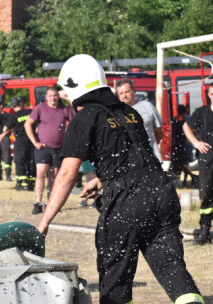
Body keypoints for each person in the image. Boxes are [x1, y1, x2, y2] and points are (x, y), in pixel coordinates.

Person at [37, 54, 202, 304]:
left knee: (116, 283)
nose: (65, 97)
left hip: (127, 203)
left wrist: (45, 221)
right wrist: (101, 181)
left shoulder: (84, 118)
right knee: (172, 269)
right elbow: (136, 158)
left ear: (75, 86)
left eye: (65, 90)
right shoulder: (128, 112)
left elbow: (67, 174)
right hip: (162, 194)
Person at [25, 86, 74, 214]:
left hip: (59, 149)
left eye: (55, 95)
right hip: (43, 148)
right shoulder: (40, 108)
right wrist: (35, 142)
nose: (53, 98)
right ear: (46, 97)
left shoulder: (64, 109)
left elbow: (74, 124)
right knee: (41, 174)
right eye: (50, 96)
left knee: (53, 177)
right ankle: (38, 203)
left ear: (58, 96)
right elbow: (27, 124)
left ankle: (49, 202)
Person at [183, 85, 213, 245]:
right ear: (209, 95)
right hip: (208, 158)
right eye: (212, 94)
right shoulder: (202, 112)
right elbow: (186, 126)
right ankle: (204, 231)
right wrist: (196, 143)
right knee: (206, 194)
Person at [116, 78, 163, 162]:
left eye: (127, 92)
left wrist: (149, 145)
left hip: (151, 158)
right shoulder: (116, 112)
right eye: (121, 93)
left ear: (134, 91)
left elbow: (159, 131)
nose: (124, 96)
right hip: (128, 161)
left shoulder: (148, 106)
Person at [0, 97, 35, 191]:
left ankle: (22, 184)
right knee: (31, 161)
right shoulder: (31, 112)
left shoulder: (14, 116)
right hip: (32, 139)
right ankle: (31, 184)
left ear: (12, 106)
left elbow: (5, 129)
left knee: (19, 161)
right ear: (21, 104)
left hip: (20, 141)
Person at [0, 98, 13, 181]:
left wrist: (2, 135)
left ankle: (8, 175)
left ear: (1, 106)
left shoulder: (6, 116)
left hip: (4, 137)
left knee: (7, 156)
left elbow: (11, 128)